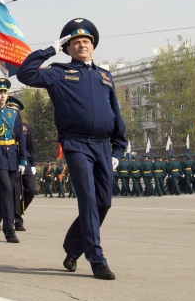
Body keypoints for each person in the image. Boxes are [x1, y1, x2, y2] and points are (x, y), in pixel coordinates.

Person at [17, 17, 126, 280]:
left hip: (103, 146)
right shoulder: (59, 72)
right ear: (68, 48)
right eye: (75, 42)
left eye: (86, 41)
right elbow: (25, 74)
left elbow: (115, 114)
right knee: (88, 200)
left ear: (93, 45)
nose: (82, 45)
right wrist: (49, 50)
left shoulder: (105, 76)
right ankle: (97, 259)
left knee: (104, 203)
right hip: (76, 144)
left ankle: (73, 249)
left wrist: (117, 150)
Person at [0, 78, 27, 244]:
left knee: (6, 194)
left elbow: (20, 137)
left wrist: (23, 159)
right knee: (7, 191)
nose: (3, 95)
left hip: (12, 157)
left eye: (5, 93)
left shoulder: (14, 113)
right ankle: (9, 229)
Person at [6, 96, 37, 230]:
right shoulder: (4, 125)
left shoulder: (26, 127)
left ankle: (17, 210)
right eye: (11, 109)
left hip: (25, 162)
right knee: (15, 191)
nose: (14, 112)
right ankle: (17, 221)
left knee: (31, 190)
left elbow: (30, 146)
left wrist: (33, 164)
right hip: (11, 160)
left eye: (16, 110)